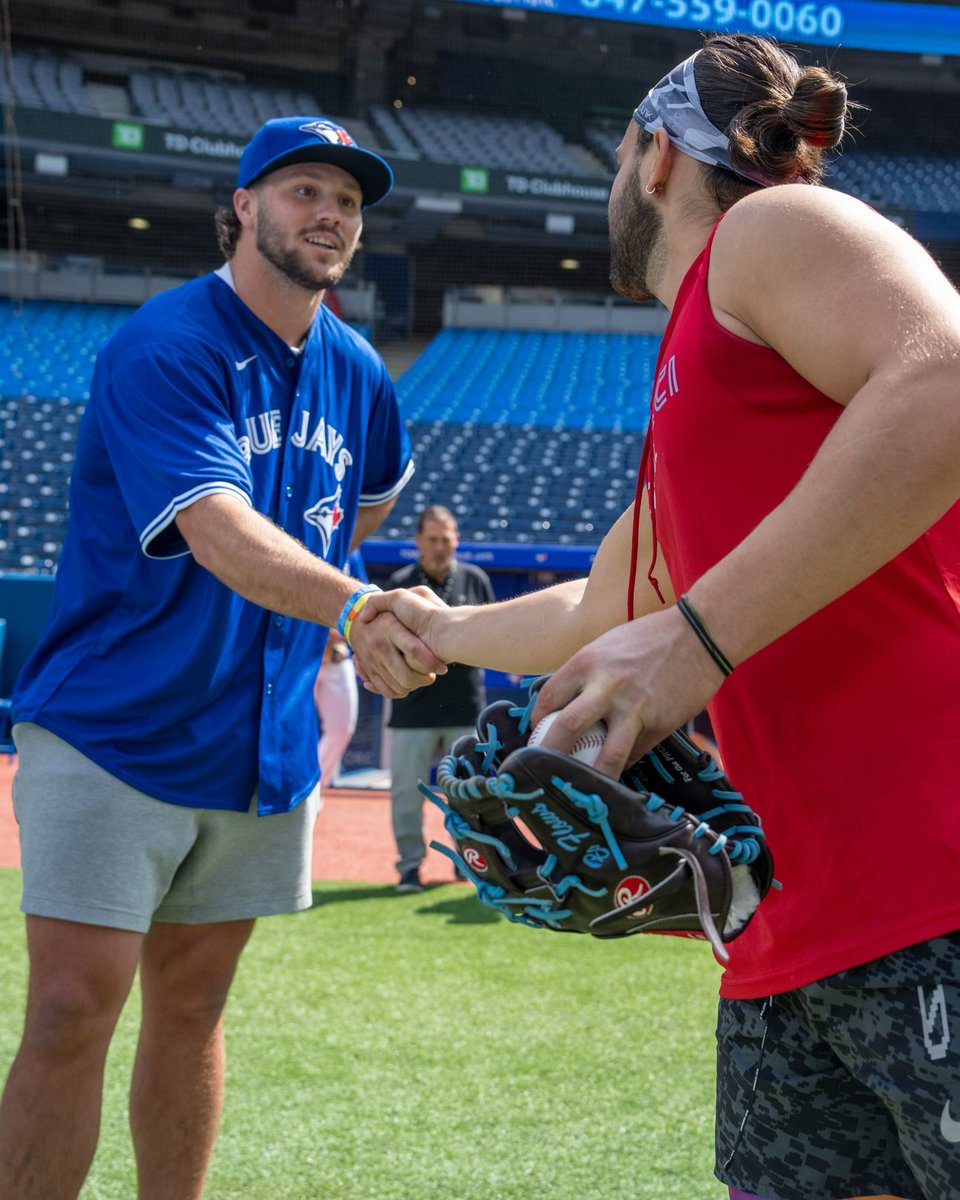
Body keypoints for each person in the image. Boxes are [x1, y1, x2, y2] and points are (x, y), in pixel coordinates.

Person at [359, 34, 960, 1200]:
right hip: (790, 928)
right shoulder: (696, 353)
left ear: (651, 157)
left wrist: (696, 637)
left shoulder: (770, 228)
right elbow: (608, 605)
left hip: (927, 885)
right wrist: (433, 627)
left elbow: (945, 379)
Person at [0, 115, 443, 1200]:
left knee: (194, 1004)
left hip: (262, 737)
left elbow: (371, 490)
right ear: (242, 207)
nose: (329, 214)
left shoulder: (356, 369)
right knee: (70, 1007)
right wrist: (355, 603)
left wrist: (338, 581)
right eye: (301, 191)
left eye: (346, 199)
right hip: (118, 722)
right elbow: (216, 527)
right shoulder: (169, 340)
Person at [385, 505, 495, 893]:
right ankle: (410, 867)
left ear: (457, 539)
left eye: (446, 538)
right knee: (405, 795)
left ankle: (469, 861)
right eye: (431, 538)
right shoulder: (398, 586)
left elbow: (487, 641)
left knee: (467, 794)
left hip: (465, 707)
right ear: (417, 541)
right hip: (411, 708)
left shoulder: (475, 579)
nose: (439, 546)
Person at [314, 548, 367, 787]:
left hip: (336, 656)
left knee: (342, 727)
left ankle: (315, 787)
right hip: (297, 654)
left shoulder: (349, 551)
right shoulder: (298, 533)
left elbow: (363, 598)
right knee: (291, 729)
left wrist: (342, 630)